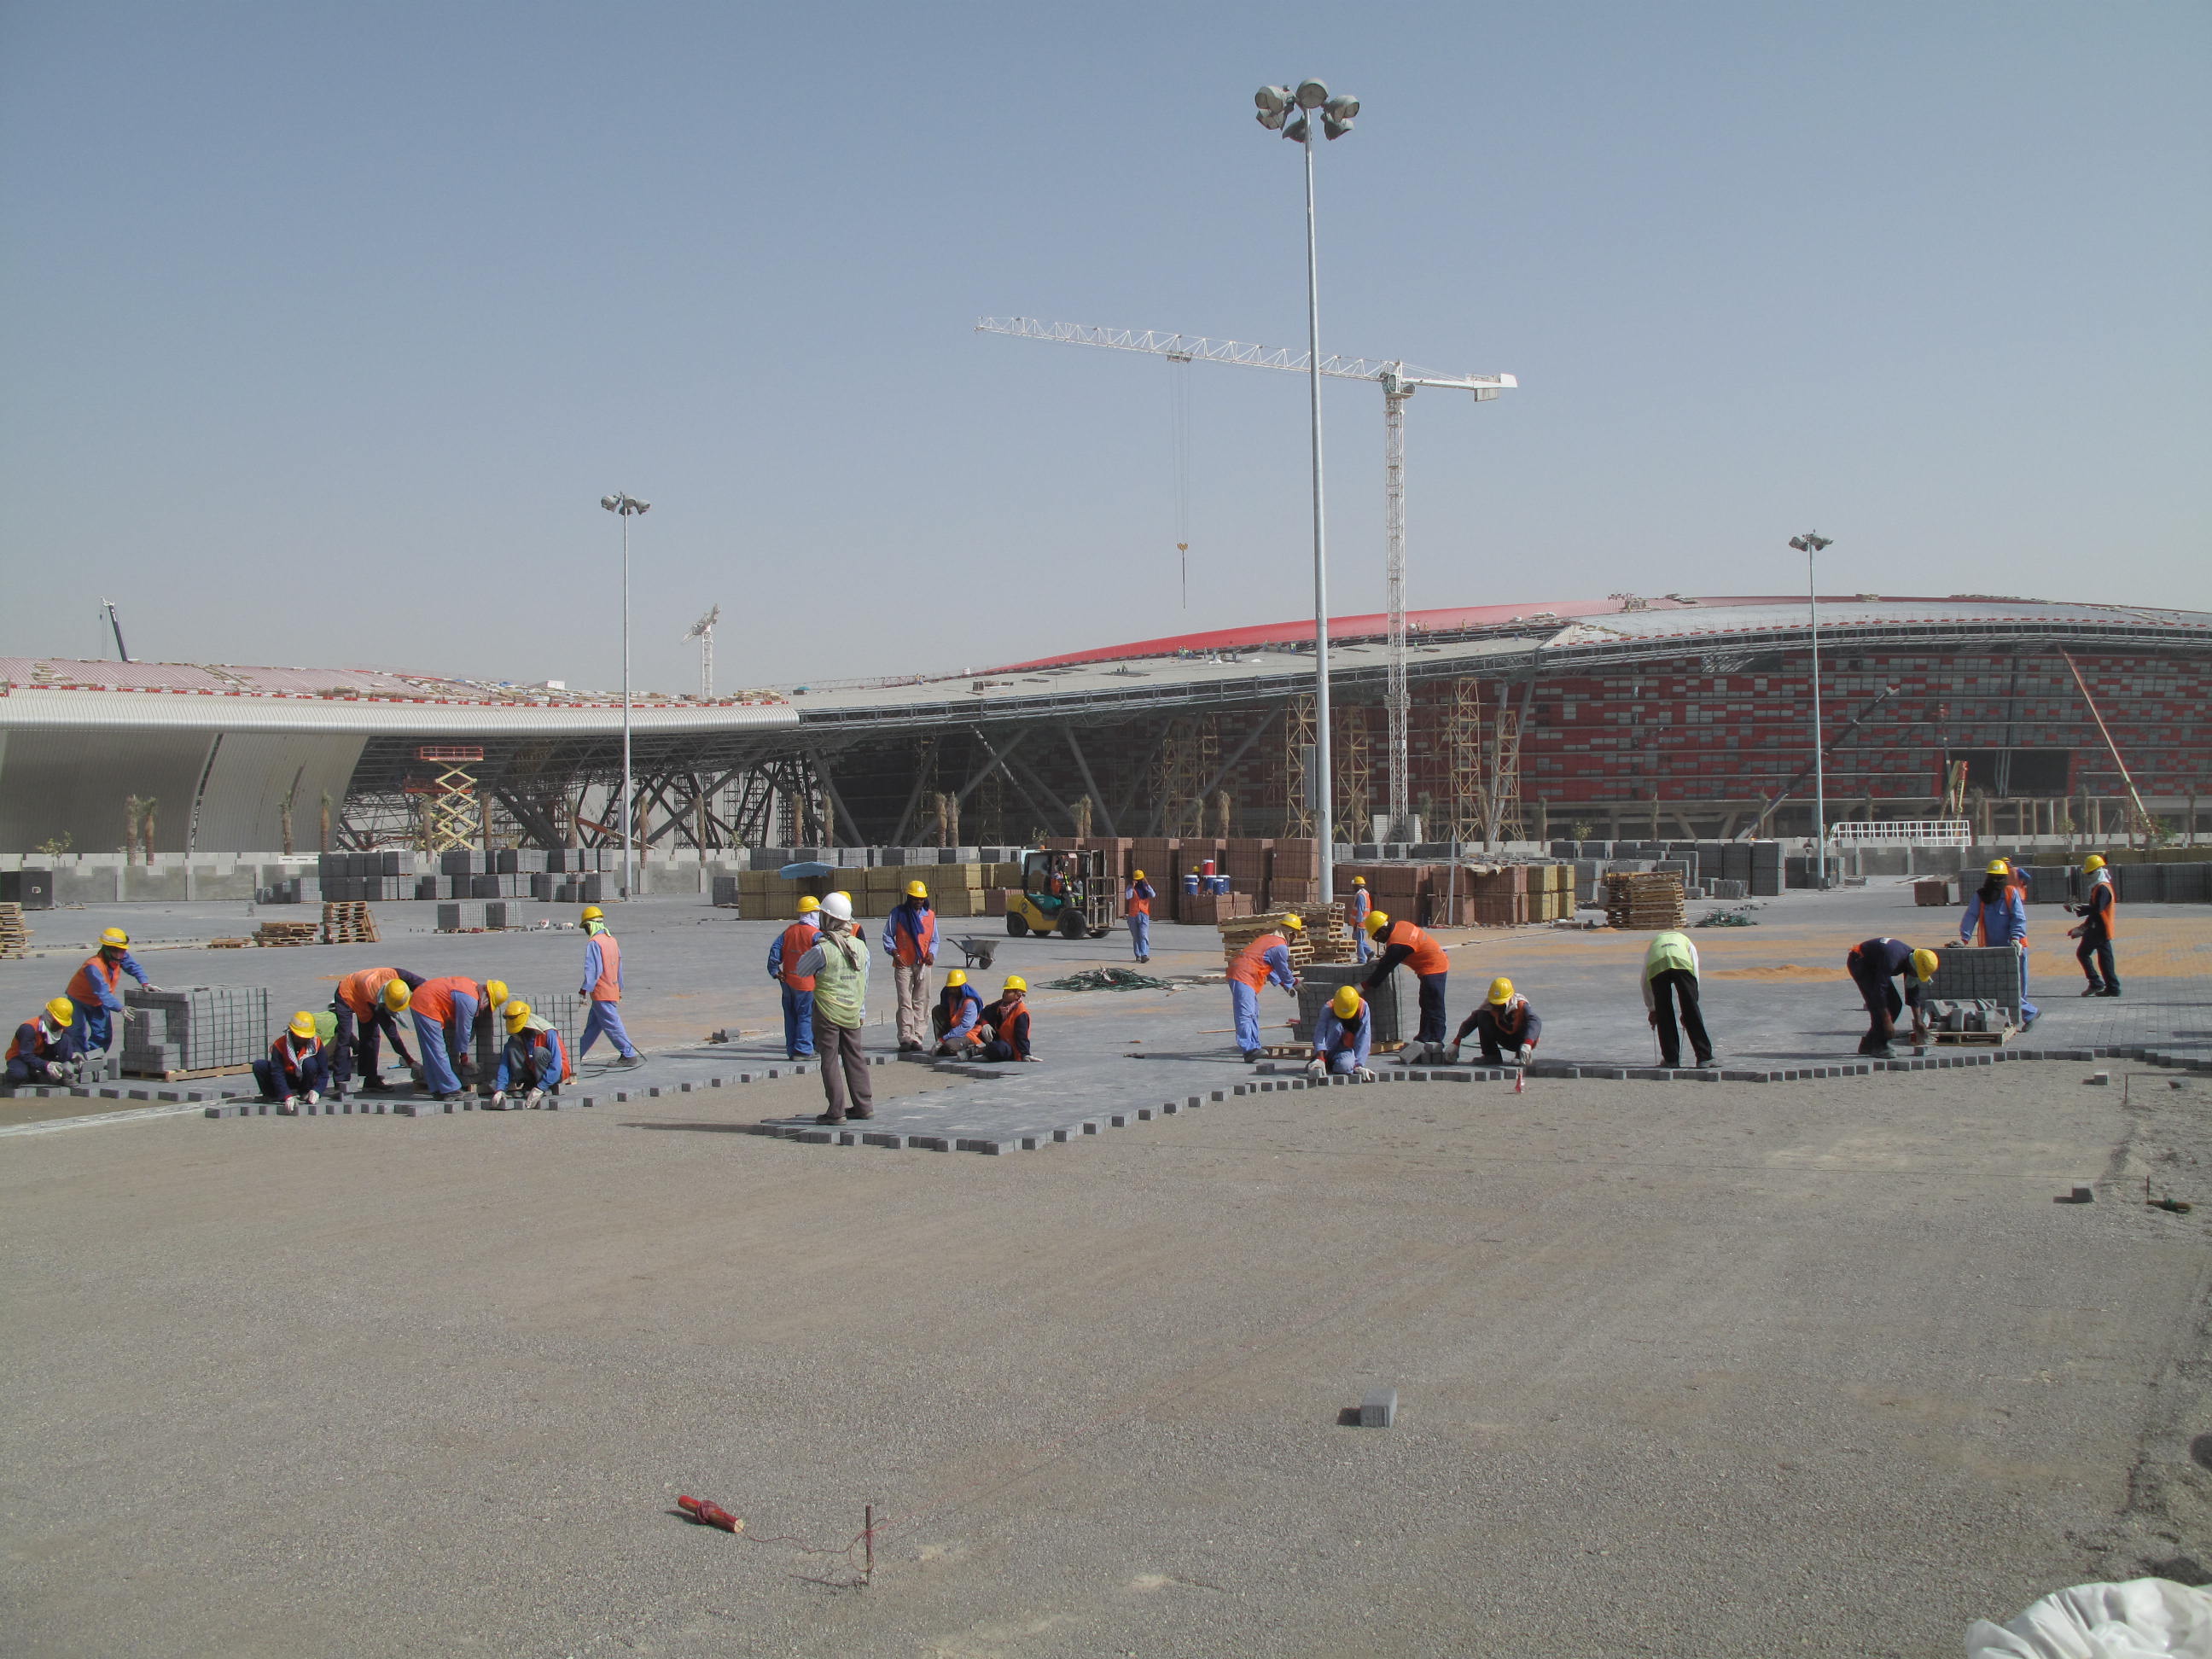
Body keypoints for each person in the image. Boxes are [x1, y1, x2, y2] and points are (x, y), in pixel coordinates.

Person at [791, 891, 873, 1124]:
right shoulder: (861, 947)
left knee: (829, 1060)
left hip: (827, 1011)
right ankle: (864, 1106)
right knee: (855, 1057)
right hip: (853, 1010)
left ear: (829, 919)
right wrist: (862, 1011)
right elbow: (864, 982)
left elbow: (801, 970)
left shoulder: (823, 948)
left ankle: (836, 1111)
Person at [1361, 910, 1451, 1062]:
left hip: (1434, 967)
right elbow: (1390, 957)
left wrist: (1364, 986)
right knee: (1425, 1002)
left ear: (1383, 930)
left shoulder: (1398, 944)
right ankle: (1424, 1037)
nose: (1378, 940)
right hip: (1431, 963)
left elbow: (1384, 970)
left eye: (1377, 936)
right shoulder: (1401, 925)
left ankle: (1436, 1041)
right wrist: (1384, 960)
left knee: (1434, 1004)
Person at [1959, 859, 2038, 1027]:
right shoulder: (1980, 896)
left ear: (2005, 878)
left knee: (2017, 988)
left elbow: (2019, 918)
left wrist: (2016, 938)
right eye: (1993, 877)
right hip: (1992, 949)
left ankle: (2028, 1015)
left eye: (2000, 878)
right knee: (1998, 986)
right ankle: (2026, 1014)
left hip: (2015, 948)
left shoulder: (2011, 893)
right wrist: (1964, 939)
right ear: (1988, 877)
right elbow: (1970, 917)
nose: (1996, 881)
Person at [329, 967, 422, 1096]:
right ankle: (340, 1084)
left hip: (363, 992)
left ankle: (371, 1081)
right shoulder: (376, 1000)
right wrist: (409, 1060)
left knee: (372, 1038)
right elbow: (392, 1034)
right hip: (347, 992)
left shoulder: (400, 975)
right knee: (344, 1038)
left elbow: (425, 985)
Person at [66, 927, 158, 1054]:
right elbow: (103, 993)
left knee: (103, 1035)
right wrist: (120, 1008)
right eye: (117, 951)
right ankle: (77, 1060)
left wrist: (145, 982)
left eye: (123, 951)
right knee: (77, 1032)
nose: (121, 955)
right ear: (107, 950)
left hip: (98, 1001)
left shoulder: (121, 956)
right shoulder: (94, 966)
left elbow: (133, 967)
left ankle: (92, 1059)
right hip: (79, 999)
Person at [1228, 914, 1303, 1062]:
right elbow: (1283, 969)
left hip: (1243, 972)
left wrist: (1284, 985)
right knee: (1245, 1013)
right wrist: (1294, 982)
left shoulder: (1267, 939)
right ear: (1292, 933)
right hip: (1243, 974)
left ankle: (1255, 1046)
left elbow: (1271, 968)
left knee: (1253, 1011)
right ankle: (1249, 1050)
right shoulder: (1280, 947)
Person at [1846, 940, 1939, 1057]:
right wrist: (1887, 1020)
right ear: (1912, 965)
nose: (1916, 975)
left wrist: (1918, 1021)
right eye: (1916, 973)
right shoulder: (1892, 959)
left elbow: (1913, 990)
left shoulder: (1912, 958)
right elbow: (1879, 991)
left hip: (1876, 966)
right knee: (1881, 1006)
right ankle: (1880, 1046)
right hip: (1860, 962)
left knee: (1894, 1005)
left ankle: (1869, 1044)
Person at [577, 903, 643, 1065]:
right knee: (593, 1027)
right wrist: (619, 987)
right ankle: (574, 1055)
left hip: (601, 992)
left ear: (588, 925)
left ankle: (628, 1054)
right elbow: (619, 966)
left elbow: (593, 970)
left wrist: (584, 989)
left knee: (612, 1024)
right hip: (612, 989)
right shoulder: (611, 940)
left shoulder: (594, 943)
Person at [406, 975, 488, 1102]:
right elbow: (463, 1030)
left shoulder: (471, 986)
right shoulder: (471, 1000)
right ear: (486, 998)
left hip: (420, 999)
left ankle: (437, 1089)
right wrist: (464, 1056)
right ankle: (451, 1090)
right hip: (426, 1004)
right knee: (437, 1049)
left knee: (430, 1051)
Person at [1641, 929, 1714, 1068]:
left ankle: (1671, 1059)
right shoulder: (1686, 941)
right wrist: (1691, 1005)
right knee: (1691, 1010)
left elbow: (1644, 980)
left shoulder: (1654, 945)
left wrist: (1653, 1009)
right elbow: (1695, 971)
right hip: (1682, 963)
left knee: (1664, 1012)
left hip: (1658, 965)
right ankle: (1704, 1057)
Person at [882, 879, 938, 1052]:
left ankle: (917, 1037)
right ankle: (905, 1036)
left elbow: (935, 940)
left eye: (920, 899)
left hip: (923, 965)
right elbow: (887, 935)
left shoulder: (930, 916)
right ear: (909, 897)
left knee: (921, 1001)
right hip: (904, 963)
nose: (918, 902)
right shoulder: (898, 914)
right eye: (915, 898)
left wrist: (932, 954)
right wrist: (894, 953)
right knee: (905, 1001)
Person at [766, 895, 822, 1059]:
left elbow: (775, 950)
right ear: (812, 914)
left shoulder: (789, 931)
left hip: (788, 981)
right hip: (806, 983)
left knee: (790, 1016)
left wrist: (775, 971)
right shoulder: (815, 935)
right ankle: (804, 1049)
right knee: (805, 1015)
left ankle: (792, 1049)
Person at [492, 999, 570, 1107]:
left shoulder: (548, 1033)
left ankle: (544, 1086)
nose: (518, 1031)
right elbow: (505, 1063)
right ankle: (529, 1084)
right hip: (534, 1071)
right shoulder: (518, 1036)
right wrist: (500, 1088)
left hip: (557, 1073)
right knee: (512, 1047)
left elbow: (557, 1065)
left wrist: (541, 1087)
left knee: (539, 1052)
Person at [1450, 977, 1542, 1066]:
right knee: (1482, 1015)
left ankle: (1520, 1055)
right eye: (1496, 1003)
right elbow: (1472, 1021)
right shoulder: (1489, 1004)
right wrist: (1456, 1041)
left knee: (1530, 1023)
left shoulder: (1520, 1004)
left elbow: (1535, 1022)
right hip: (1503, 1038)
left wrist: (1528, 1044)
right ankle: (1491, 1055)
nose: (1497, 1006)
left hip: (1521, 1042)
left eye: (1501, 1003)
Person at [253, 1010, 331, 1114]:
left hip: (306, 1079)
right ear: (292, 1032)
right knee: (259, 1065)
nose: (302, 1039)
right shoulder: (280, 1045)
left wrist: (317, 1090)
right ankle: (274, 1095)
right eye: (299, 1036)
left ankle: (305, 1092)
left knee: (310, 1063)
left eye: (305, 1037)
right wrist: (286, 1095)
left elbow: (324, 1073)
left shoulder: (316, 1043)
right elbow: (277, 1073)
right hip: (288, 1078)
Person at [2069, 854, 2120, 998]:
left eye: (2090, 873)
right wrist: (2083, 926)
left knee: (2083, 954)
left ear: (2097, 871)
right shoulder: (2099, 887)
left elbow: (2098, 909)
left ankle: (2097, 982)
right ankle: (2112, 987)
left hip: (2100, 928)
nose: (2088, 876)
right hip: (2099, 927)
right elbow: (2095, 910)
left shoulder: (2102, 888)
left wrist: (2079, 909)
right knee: (2105, 958)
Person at [7, 998, 83, 1086]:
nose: (60, 1026)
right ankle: (14, 1076)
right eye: (58, 1022)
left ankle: (63, 1076)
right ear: (49, 1016)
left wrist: (73, 1054)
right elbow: (26, 1055)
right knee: (19, 1075)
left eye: (62, 1023)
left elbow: (67, 1044)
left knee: (65, 1038)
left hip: (43, 1054)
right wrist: (46, 1065)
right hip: (21, 1057)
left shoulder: (60, 1028)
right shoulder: (29, 1029)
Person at [1307, 983, 1376, 1080]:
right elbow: (1320, 1033)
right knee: (1336, 1026)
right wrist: (1320, 1057)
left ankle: (1331, 1064)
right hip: (1329, 1046)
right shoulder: (1329, 1007)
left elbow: (1364, 1036)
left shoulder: (1363, 1008)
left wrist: (1359, 1065)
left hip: (1345, 1050)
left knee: (1345, 1067)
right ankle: (1323, 1060)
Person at [969, 974, 1038, 1062]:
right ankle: (987, 1051)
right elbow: (984, 1012)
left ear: (1018, 995)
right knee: (982, 1032)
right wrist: (985, 1024)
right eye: (1005, 991)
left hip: (1010, 1049)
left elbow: (1022, 1036)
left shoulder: (1021, 1013)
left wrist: (1025, 1054)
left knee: (999, 1048)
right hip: (999, 1041)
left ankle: (978, 1051)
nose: (1005, 994)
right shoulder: (1000, 1005)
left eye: (1009, 992)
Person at [932, 968, 985, 1055]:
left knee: (950, 1047)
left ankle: (972, 1048)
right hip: (955, 1030)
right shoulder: (951, 997)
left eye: (955, 988)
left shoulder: (970, 1003)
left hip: (968, 1033)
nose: (952, 990)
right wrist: (942, 1039)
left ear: (962, 987)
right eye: (951, 988)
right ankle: (941, 1045)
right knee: (938, 1010)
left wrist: (944, 1039)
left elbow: (965, 1027)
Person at [1125, 869, 1156, 963]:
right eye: (1136, 880)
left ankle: (1144, 954)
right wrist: (1132, 886)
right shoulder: (1130, 887)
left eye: (1140, 879)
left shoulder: (1146, 888)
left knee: (1143, 935)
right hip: (1133, 915)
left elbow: (1153, 895)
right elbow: (1128, 896)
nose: (1138, 881)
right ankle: (1138, 955)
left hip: (1144, 914)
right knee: (1136, 936)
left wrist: (1147, 885)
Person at [1348, 876, 1374, 963]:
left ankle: (1362, 959)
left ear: (1357, 886)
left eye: (1354, 886)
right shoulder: (1365, 894)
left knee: (1358, 941)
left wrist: (1357, 923)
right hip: (1363, 922)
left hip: (1360, 923)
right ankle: (1369, 952)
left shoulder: (1361, 896)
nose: (1353, 888)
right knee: (1358, 939)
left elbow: (1360, 910)